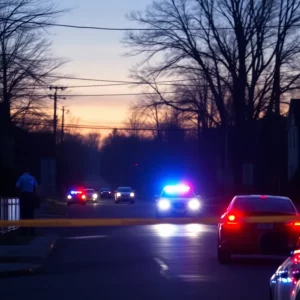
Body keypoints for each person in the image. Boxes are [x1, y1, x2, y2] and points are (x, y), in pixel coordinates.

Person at [16, 167, 38, 236]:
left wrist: (20, 192)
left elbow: (17, 186)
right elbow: (36, 187)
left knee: (24, 213)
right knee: (31, 213)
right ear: (28, 171)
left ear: (22, 171)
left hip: (24, 195)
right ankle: (32, 231)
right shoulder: (32, 178)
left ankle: (24, 231)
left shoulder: (21, 178)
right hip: (31, 196)